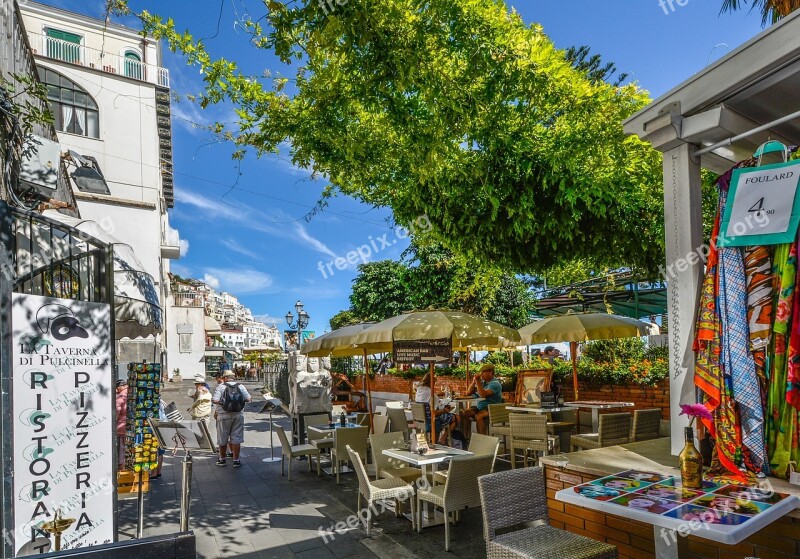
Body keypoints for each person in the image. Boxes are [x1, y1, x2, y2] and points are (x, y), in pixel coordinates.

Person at [212, 370, 252, 468]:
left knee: (222, 438)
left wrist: (224, 403)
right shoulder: (241, 386)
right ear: (234, 377)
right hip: (238, 415)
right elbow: (249, 399)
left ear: (225, 378)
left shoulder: (221, 387)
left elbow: (215, 400)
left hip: (223, 416)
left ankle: (222, 459)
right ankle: (236, 460)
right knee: (236, 438)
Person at [415, 372, 458, 445]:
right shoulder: (431, 394)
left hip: (420, 421)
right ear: (432, 382)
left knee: (440, 418)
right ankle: (442, 439)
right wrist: (443, 410)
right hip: (431, 422)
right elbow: (434, 412)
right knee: (456, 418)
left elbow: (426, 400)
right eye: (434, 383)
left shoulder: (419, 390)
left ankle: (433, 441)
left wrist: (437, 396)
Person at [461, 364, 503, 435]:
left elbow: (483, 394)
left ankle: (481, 439)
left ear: (490, 372)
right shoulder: (483, 383)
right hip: (481, 407)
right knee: (466, 413)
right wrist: (474, 381)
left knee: (479, 416)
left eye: (483, 372)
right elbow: (468, 393)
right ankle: (465, 437)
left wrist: (478, 382)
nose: (481, 374)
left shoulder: (495, 384)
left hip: (492, 408)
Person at [116, 379, 128, 471]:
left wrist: (114, 420)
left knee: (121, 451)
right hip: (129, 427)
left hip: (121, 427)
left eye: (117, 387)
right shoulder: (130, 392)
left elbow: (117, 409)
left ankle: (122, 470)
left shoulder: (121, 396)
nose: (116, 390)